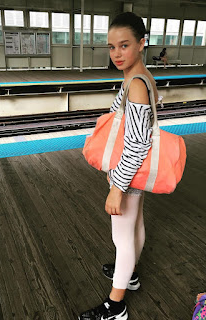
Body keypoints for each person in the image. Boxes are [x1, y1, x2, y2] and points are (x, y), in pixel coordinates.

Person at [78, 12, 159, 320]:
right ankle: (132, 274)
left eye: (124, 45)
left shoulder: (136, 83)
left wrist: (117, 187)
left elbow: (138, 143)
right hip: (135, 174)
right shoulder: (139, 77)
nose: (116, 54)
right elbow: (117, 118)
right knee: (135, 226)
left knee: (121, 238)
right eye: (111, 47)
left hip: (129, 174)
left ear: (141, 43)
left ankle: (116, 306)